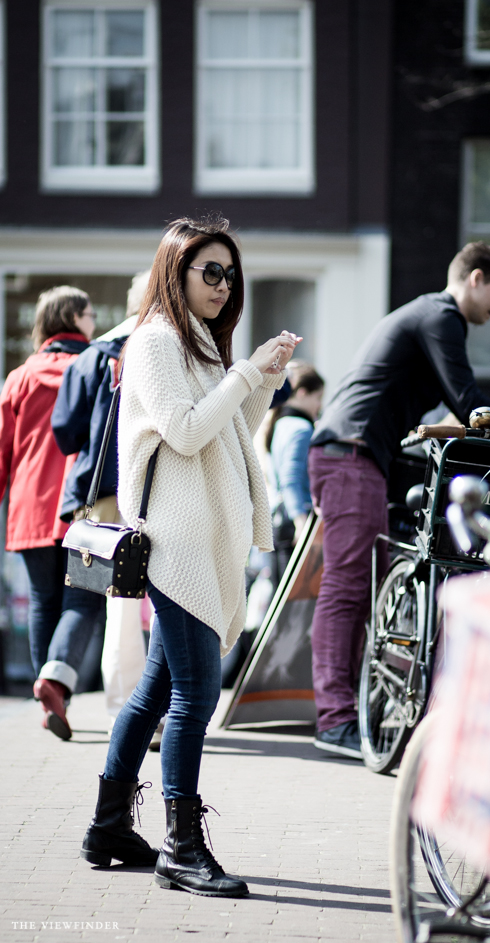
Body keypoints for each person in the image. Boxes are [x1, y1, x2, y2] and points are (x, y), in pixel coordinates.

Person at [80, 216, 300, 898]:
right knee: (197, 692)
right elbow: (182, 429)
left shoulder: (201, 342)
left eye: (229, 273)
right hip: (175, 544)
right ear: (175, 271)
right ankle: (181, 845)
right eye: (211, 270)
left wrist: (261, 377)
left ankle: (108, 826)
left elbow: (229, 430)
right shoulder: (153, 339)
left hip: (204, 537)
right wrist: (240, 373)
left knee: (154, 691)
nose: (222, 284)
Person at [308, 241, 490, 759]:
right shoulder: (441, 316)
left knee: (365, 584)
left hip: (359, 454)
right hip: (351, 452)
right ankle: (333, 721)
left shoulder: (428, 316)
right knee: (349, 587)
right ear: (475, 278)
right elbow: (467, 401)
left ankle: (353, 715)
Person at [52, 271, 153, 739]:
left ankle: (123, 710)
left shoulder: (96, 354)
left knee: (120, 609)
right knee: (166, 606)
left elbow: (66, 431)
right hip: (155, 492)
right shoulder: (166, 348)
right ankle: (154, 711)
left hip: (102, 501)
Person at [0, 285, 100, 739]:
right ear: (74, 318)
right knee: (84, 600)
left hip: (30, 507)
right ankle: (56, 684)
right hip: (84, 506)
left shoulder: (20, 376)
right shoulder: (99, 366)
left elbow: (2, 449)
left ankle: (48, 699)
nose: (95, 321)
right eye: (90, 313)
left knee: (44, 601)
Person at [265, 362, 324, 577]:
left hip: (277, 518)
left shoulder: (279, 424)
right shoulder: (302, 428)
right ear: (301, 393)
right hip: (294, 520)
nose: (319, 405)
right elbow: (291, 479)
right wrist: (301, 521)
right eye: (317, 397)